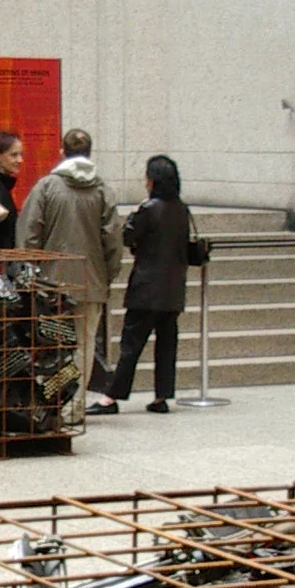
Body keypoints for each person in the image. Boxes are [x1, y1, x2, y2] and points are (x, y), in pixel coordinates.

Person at [17, 128, 121, 422]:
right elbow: (113, 240)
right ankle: (73, 409)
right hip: (91, 283)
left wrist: (30, 274)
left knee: (50, 345)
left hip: (51, 284)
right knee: (83, 345)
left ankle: (48, 406)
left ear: (61, 152)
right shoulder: (102, 190)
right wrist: (107, 277)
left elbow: (29, 235)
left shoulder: (47, 187)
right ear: (90, 153)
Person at [87, 154, 193, 416]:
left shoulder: (149, 208)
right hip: (172, 288)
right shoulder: (182, 209)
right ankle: (161, 396)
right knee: (167, 345)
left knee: (131, 345)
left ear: (152, 180)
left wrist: (136, 213)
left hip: (147, 288)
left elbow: (127, 236)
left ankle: (110, 398)